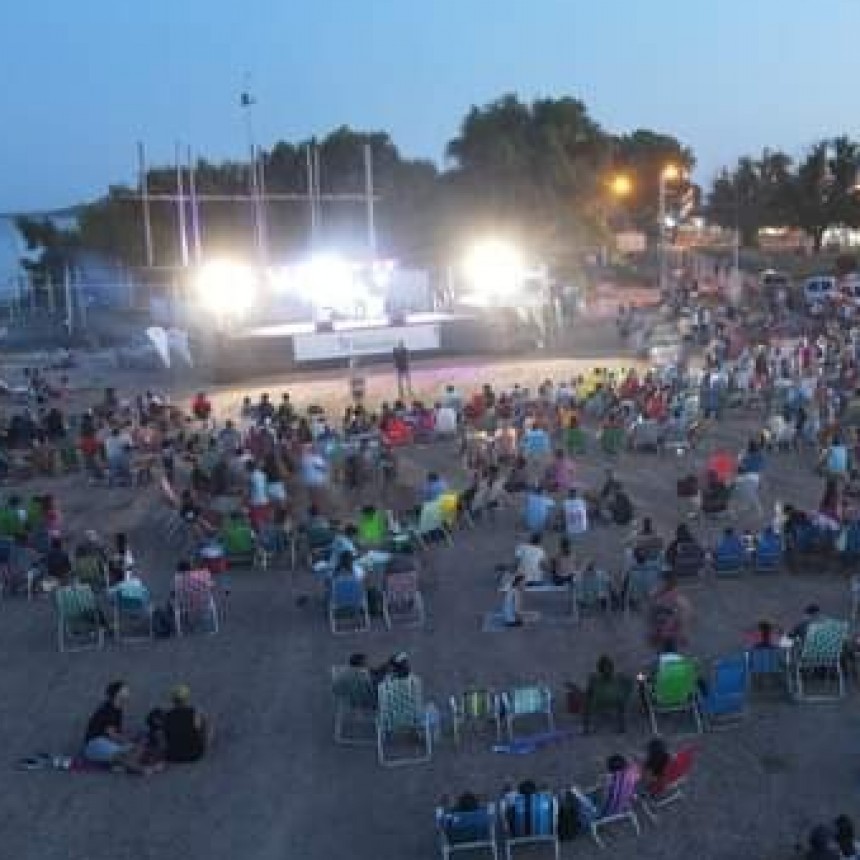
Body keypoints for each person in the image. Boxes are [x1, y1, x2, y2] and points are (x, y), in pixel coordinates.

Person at [82, 681, 151, 774]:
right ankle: (138, 769)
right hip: (95, 744)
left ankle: (118, 765)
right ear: (118, 694)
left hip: (105, 743)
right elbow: (112, 734)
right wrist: (129, 742)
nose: (128, 692)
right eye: (125, 690)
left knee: (137, 747)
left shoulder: (117, 709)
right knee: (126, 753)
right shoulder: (108, 710)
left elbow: (117, 733)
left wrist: (134, 739)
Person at [583, 655, 631, 734]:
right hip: (616, 701)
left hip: (598, 702)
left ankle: (586, 727)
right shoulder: (618, 677)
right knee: (621, 700)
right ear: (612, 668)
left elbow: (589, 692)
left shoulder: (594, 679)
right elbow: (629, 684)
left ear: (599, 669)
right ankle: (622, 726)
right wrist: (625, 696)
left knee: (587, 701)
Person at [162, 685, 209, 764]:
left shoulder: (167, 715)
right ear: (186, 699)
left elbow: (165, 733)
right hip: (194, 754)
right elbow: (200, 728)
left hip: (172, 755)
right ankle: (205, 744)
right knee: (204, 721)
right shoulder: (194, 713)